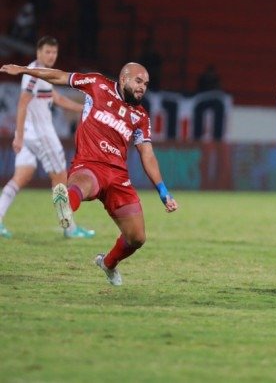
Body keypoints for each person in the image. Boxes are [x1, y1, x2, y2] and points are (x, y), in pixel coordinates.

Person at [0, 61, 179, 286]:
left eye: (146, 83)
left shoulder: (141, 116)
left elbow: (148, 154)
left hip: (118, 176)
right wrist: (25, 70)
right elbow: (59, 76)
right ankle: (65, 204)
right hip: (90, 164)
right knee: (82, 184)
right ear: (123, 79)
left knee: (137, 237)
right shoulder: (96, 84)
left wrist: (163, 191)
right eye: (138, 81)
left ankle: (108, 263)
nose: (143, 87)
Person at [0, 36, 94, 239]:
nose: (51, 56)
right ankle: (69, 228)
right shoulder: (34, 76)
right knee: (60, 178)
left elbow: (57, 98)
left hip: (29, 135)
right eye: (47, 52)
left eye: (54, 52)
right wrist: (18, 136)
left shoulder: (41, 73)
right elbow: (22, 103)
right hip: (40, 135)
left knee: (21, 176)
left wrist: (82, 108)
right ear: (38, 53)